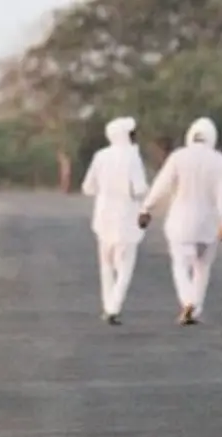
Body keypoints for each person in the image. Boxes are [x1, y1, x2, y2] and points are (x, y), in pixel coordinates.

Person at [138, 117, 222, 326]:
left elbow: (161, 185)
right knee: (202, 268)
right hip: (208, 225)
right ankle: (196, 307)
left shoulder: (178, 157)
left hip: (180, 223)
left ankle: (187, 301)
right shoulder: (220, 161)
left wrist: (146, 207)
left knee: (180, 265)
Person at [80, 115, 149, 326]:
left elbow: (87, 187)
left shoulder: (101, 156)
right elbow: (139, 189)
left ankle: (107, 305)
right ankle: (114, 307)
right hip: (126, 218)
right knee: (125, 267)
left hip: (103, 218)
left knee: (106, 265)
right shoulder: (132, 157)